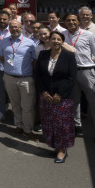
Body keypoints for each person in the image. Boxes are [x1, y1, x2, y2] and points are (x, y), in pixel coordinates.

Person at [62, 14, 95, 143]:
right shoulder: (62, 35)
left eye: (73, 20)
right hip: (70, 73)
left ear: (78, 21)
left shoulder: (88, 35)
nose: (71, 22)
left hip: (87, 72)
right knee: (74, 101)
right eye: (68, 20)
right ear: (64, 22)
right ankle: (77, 126)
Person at [34, 30, 78, 163]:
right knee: (48, 122)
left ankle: (62, 149)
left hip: (63, 96)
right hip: (46, 95)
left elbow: (72, 78)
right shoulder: (43, 54)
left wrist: (60, 94)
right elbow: (38, 75)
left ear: (62, 42)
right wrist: (44, 91)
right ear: (49, 40)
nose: (56, 41)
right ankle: (54, 145)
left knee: (61, 123)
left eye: (59, 39)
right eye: (53, 39)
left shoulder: (69, 56)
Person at [0, 20, 38, 138]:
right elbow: (1, 57)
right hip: (9, 78)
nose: (14, 29)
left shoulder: (30, 43)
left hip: (25, 79)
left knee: (27, 106)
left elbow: (35, 60)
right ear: (9, 29)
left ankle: (28, 129)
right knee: (15, 105)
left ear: (21, 28)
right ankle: (19, 126)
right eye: (12, 27)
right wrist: (11, 68)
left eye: (16, 27)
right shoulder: (4, 41)